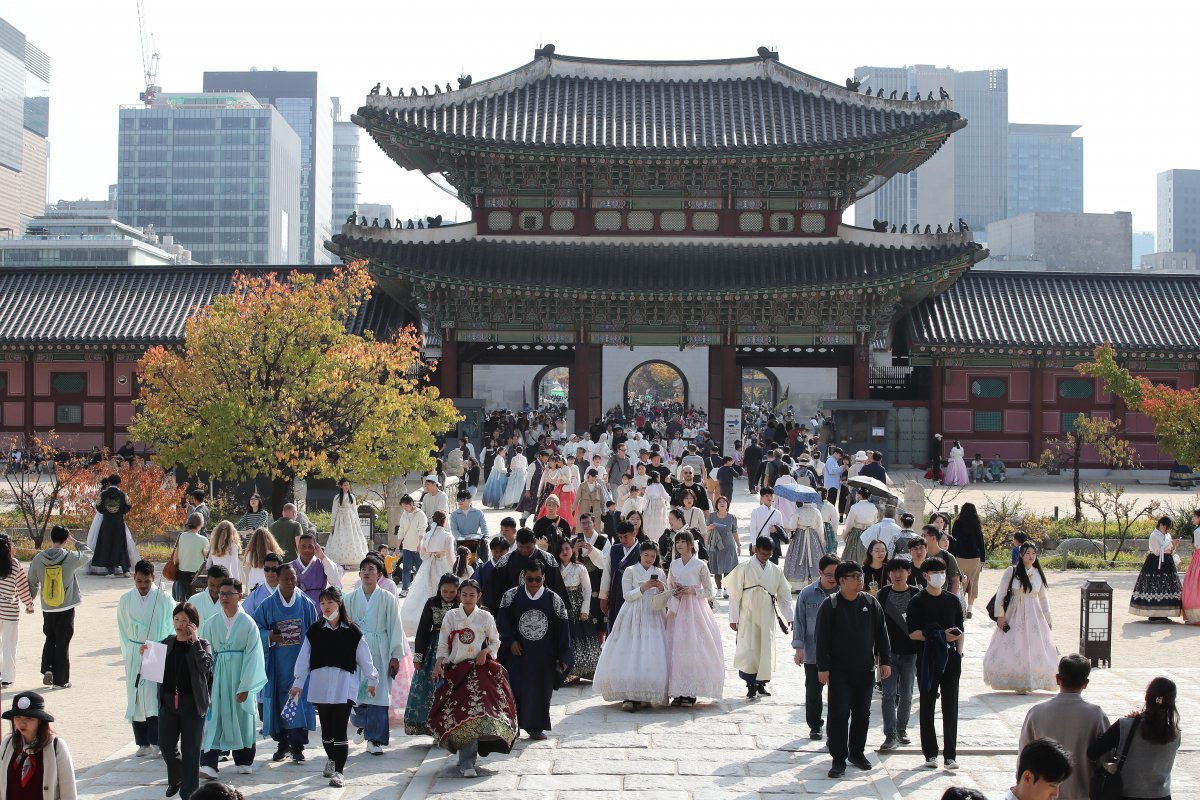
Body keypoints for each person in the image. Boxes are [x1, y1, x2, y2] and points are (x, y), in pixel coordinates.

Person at [428, 579, 517, 777]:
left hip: (480, 669)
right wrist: (438, 663)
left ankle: (469, 760)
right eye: (465, 594)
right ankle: (465, 760)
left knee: (479, 711)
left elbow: (496, 641)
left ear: (479, 596)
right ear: (459, 595)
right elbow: (443, 644)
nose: (468, 598)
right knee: (461, 714)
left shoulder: (485, 616)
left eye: (472, 595)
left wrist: (485, 651)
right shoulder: (451, 616)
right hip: (456, 670)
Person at [290, 587, 378, 789]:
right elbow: (303, 659)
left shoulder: (352, 631)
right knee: (326, 731)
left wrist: (372, 680)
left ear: (339, 603)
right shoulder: (314, 631)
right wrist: (298, 683)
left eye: (330, 602)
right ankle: (331, 758)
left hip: (343, 686)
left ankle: (339, 771)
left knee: (340, 729)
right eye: (322, 603)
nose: (326, 607)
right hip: (320, 685)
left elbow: (365, 658)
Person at [815, 560, 892, 778]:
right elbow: (821, 639)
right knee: (839, 715)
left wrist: (884, 660)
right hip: (839, 672)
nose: (861, 580)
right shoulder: (830, 605)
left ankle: (856, 753)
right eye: (855, 577)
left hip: (865, 670)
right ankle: (838, 758)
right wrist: (823, 667)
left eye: (861, 576)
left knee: (862, 715)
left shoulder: (870, 602)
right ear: (841, 581)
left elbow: (881, 634)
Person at [249, 562, 318, 763]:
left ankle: (297, 746)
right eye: (286, 578)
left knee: (299, 702)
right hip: (277, 665)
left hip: (300, 664)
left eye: (293, 578)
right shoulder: (268, 605)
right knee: (279, 703)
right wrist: (269, 636)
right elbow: (255, 630)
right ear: (277, 579)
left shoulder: (306, 604)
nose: (290, 582)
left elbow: (314, 633)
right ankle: (283, 743)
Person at [198, 578, 267, 777]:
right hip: (218, 677)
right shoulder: (211, 623)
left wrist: (246, 686)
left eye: (229, 593)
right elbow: (204, 653)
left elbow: (254, 655)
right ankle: (209, 762)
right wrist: (206, 681)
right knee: (214, 718)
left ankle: (244, 758)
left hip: (240, 676)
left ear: (240, 596)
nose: (225, 597)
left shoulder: (248, 624)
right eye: (222, 594)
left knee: (242, 717)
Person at [1019, 653, 1111, 800]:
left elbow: (1023, 758)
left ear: (1057, 679)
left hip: (1042, 794)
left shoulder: (1036, 713)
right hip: (1082, 793)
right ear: (1086, 683)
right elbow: (1106, 759)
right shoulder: (1095, 715)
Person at [497, 563, 573, 739]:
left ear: (544, 578)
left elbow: (563, 629)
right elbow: (502, 622)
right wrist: (510, 641)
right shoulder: (510, 596)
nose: (533, 583)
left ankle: (536, 727)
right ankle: (512, 726)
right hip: (518, 654)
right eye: (530, 579)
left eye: (538, 579)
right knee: (514, 689)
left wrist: (563, 654)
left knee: (541, 690)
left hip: (544, 655)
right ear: (524, 577)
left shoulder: (554, 599)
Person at [344, 555, 410, 755]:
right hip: (357, 651)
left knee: (379, 695)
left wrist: (395, 656)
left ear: (379, 574)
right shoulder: (349, 598)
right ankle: (362, 725)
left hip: (381, 649)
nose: (367, 572)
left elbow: (395, 627)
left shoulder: (388, 598)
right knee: (358, 693)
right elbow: (345, 626)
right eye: (363, 569)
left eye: (371, 569)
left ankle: (375, 740)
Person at [593, 540, 669, 711]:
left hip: (654, 614)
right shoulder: (630, 570)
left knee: (652, 651)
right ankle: (629, 693)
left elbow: (666, 597)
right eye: (646, 555)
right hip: (633, 613)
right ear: (640, 555)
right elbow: (627, 595)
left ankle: (647, 691)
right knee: (631, 649)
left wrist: (662, 588)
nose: (649, 558)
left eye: (652, 555)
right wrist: (643, 588)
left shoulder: (659, 572)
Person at [906, 557, 965, 770]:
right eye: (934, 572)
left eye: (942, 572)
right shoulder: (917, 601)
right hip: (928, 658)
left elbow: (959, 629)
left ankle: (950, 755)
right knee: (927, 705)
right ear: (925, 575)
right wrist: (940, 636)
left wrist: (958, 653)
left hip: (950, 659)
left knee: (950, 707)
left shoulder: (952, 600)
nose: (939, 576)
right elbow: (913, 633)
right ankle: (930, 753)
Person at [154, 602, 213, 800]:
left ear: (193, 624)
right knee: (166, 746)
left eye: (184, 620)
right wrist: (146, 656)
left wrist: (195, 641)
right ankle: (177, 777)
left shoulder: (202, 644)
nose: (179, 624)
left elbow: (205, 666)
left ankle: (189, 793)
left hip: (192, 704)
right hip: (169, 703)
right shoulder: (166, 643)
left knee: (191, 750)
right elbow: (152, 672)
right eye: (176, 619)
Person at [1088, 676, 1180, 800]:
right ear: (1172, 702)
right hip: (1161, 795)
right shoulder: (1175, 733)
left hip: (1126, 793)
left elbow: (1093, 752)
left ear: (1147, 697)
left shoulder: (1125, 725)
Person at [983, 543, 1058, 693]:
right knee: (1013, 643)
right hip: (1014, 611)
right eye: (1027, 553)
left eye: (1033, 553)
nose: (1031, 556)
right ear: (1021, 555)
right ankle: (1015, 678)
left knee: (1033, 645)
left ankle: (1031, 678)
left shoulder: (1038, 574)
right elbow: (1001, 594)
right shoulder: (1012, 571)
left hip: (1034, 614)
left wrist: (1048, 620)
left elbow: (1043, 599)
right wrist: (1000, 616)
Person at [726, 536, 795, 698]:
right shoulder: (743, 568)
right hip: (748, 613)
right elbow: (734, 595)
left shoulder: (776, 570)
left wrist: (789, 616)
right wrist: (733, 618)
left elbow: (784, 596)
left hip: (767, 614)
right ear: (755, 549)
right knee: (749, 649)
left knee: (765, 647)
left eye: (768, 555)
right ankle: (750, 684)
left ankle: (762, 683)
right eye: (763, 554)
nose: (765, 557)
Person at [118, 561, 174, 757]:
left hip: (156, 649)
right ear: (134, 578)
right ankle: (142, 742)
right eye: (139, 581)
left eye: (147, 582)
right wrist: (131, 651)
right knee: (135, 696)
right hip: (135, 649)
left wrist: (161, 648)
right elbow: (123, 628)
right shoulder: (125, 600)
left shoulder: (165, 598)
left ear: (153, 579)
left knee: (153, 697)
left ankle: (157, 741)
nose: (143, 585)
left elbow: (171, 626)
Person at [27, 526, 92, 689]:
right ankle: (60, 680)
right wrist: (75, 542)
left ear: (51, 538)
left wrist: (31, 600)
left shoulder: (38, 558)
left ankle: (48, 668)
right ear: (65, 539)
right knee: (63, 642)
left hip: (48, 607)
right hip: (66, 605)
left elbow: (32, 581)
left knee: (50, 637)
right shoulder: (70, 557)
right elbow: (89, 553)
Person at [664, 529, 724, 707]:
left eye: (683, 541)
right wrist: (675, 590)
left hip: (695, 608)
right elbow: (669, 584)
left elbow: (709, 591)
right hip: (677, 606)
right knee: (676, 648)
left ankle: (691, 692)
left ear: (691, 544)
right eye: (677, 542)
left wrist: (692, 591)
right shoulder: (674, 564)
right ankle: (678, 691)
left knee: (693, 648)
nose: (679, 545)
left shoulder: (700, 565)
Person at [404, 575, 459, 736]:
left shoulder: (461, 604)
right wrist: (418, 656)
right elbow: (422, 630)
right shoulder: (431, 603)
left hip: (456, 648)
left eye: (452, 592)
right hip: (433, 649)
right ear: (439, 589)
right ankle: (431, 726)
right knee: (430, 688)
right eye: (445, 591)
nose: (448, 595)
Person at [793, 555, 840, 740]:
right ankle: (815, 725)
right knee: (813, 692)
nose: (832, 578)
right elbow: (800, 622)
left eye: (835, 575)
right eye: (828, 574)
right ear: (820, 572)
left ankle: (835, 726)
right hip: (813, 653)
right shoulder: (807, 594)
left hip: (838, 653)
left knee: (838, 693)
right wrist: (799, 648)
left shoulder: (844, 593)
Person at [0, 691, 76, 800]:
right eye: (17, 717)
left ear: (40, 720)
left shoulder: (56, 746)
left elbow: (68, 790)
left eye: (29, 718)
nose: (22, 723)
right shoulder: (8, 744)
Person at [876, 558, 919, 751]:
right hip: (888, 654)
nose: (898, 574)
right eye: (894, 571)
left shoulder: (917, 594)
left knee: (907, 693)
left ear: (909, 572)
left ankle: (902, 729)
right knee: (888, 694)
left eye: (902, 570)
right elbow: (876, 626)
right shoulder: (883, 594)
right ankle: (890, 734)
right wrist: (877, 653)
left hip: (911, 653)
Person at [482, 528, 566, 612]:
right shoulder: (505, 561)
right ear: (516, 543)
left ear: (534, 542)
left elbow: (557, 586)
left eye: (528, 547)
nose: (525, 550)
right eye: (521, 547)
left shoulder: (548, 559)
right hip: (514, 609)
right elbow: (495, 588)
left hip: (543, 607)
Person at [401, 512, 455, 634]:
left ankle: (422, 621)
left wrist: (432, 554)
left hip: (428, 565)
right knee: (444, 591)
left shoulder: (427, 535)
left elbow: (422, 555)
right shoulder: (447, 536)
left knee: (424, 592)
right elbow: (451, 558)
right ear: (444, 521)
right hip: (442, 564)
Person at [556, 539, 599, 683]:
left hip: (577, 604)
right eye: (561, 549)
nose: (565, 552)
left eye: (567, 548)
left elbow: (587, 590)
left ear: (572, 550)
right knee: (565, 637)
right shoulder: (555, 568)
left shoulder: (580, 568)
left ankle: (586, 671)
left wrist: (585, 609)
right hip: (561, 605)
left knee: (581, 636)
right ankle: (568, 673)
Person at [1131, 515, 1183, 621]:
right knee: (1154, 586)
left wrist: (1173, 546)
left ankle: (1164, 612)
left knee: (1166, 587)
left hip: (1167, 561)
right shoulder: (1154, 535)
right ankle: (1153, 614)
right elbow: (1156, 551)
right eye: (1166, 527)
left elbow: (1169, 549)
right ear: (1161, 524)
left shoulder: (1167, 535)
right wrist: (1170, 544)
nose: (1166, 529)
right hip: (1155, 562)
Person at [0, 533, 34, 686]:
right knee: (9, 645)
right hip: (10, 611)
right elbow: (22, 588)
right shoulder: (14, 564)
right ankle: (7, 678)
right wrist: (29, 604)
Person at [949, 503, 986, 619]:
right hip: (975, 558)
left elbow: (953, 540)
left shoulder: (958, 523)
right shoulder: (976, 524)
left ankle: (961, 606)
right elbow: (981, 542)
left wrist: (952, 555)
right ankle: (970, 609)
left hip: (960, 557)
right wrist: (983, 559)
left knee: (960, 582)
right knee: (973, 583)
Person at [93, 474, 132, 577]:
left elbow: (98, 506)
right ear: (119, 483)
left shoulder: (103, 494)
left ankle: (111, 571)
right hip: (119, 523)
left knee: (107, 545)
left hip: (107, 523)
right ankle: (125, 570)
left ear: (109, 482)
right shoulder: (123, 495)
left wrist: (106, 512)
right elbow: (128, 506)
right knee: (121, 545)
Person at [292, 533, 345, 608]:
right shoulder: (291, 566)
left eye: (310, 546)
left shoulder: (323, 563)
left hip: (320, 605)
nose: (306, 550)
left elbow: (335, 580)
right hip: (298, 604)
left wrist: (322, 556)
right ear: (298, 548)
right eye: (303, 546)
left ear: (316, 547)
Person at [325, 479, 367, 568]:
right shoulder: (337, 497)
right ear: (341, 486)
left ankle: (350, 561)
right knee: (341, 537)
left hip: (351, 519)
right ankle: (341, 561)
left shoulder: (352, 497)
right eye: (345, 485)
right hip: (340, 519)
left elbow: (355, 510)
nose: (347, 487)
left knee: (351, 537)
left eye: (348, 485)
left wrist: (358, 523)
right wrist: (332, 524)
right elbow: (334, 511)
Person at [394, 495, 427, 598]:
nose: (405, 508)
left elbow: (422, 530)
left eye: (406, 506)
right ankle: (404, 589)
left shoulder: (420, 514)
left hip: (417, 546)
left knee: (420, 569)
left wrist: (420, 544)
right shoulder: (404, 514)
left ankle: (423, 589)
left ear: (412, 504)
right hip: (407, 546)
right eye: (403, 506)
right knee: (406, 569)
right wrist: (397, 547)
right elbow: (401, 530)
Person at [706, 497, 739, 597]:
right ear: (716, 505)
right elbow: (705, 528)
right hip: (715, 546)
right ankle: (719, 588)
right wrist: (710, 527)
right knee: (716, 567)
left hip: (728, 545)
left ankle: (726, 589)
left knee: (728, 568)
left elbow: (734, 531)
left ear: (727, 505)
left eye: (724, 502)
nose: (722, 503)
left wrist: (739, 545)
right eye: (719, 502)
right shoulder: (712, 516)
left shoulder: (732, 517)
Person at [173, 514, 210, 603]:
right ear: (201, 524)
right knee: (195, 602)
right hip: (196, 575)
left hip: (182, 572)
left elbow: (176, 556)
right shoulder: (203, 540)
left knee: (183, 601)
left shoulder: (181, 536)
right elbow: (207, 556)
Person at [841, 489, 879, 566]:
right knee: (868, 557)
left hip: (856, 535)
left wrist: (844, 536)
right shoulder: (873, 507)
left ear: (860, 496)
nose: (857, 496)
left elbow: (849, 525)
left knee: (853, 558)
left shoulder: (854, 507)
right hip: (869, 534)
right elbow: (875, 523)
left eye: (858, 494)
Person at [242, 527, 284, 592]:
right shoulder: (272, 554)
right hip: (268, 584)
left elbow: (248, 570)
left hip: (253, 584)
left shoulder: (250, 554)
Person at [1182, 509, 1200, 623]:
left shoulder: (1197, 531)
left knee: (1193, 584)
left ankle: (1195, 616)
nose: (1192, 518)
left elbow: (1197, 546)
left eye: (1194, 516)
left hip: (1198, 558)